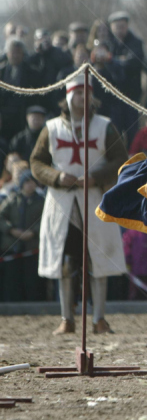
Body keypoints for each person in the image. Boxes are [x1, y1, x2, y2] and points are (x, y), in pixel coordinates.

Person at [30, 79, 127, 334]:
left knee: (97, 260)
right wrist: (57, 177)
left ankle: (99, 319)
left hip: (93, 199)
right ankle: (66, 318)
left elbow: (120, 158)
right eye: (78, 93)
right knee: (65, 262)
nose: (82, 98)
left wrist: (97, 177)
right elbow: (37, 162)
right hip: (63, 203)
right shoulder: (51, 128)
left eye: (86, 93)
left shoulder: (104, 126)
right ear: (69, 96)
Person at [0, 169, 46, 302]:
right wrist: (12, 230)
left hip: (32, 249)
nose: (30, 184)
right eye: (26, 181)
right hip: (12, 248)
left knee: (32, 283)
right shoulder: (12, 199)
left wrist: (33, 232)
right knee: (12, 282)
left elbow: (46, 219)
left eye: (32, 181)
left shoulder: (41, 201)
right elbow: (1, 216)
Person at [108, 11, 145, 145]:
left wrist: (113, 60)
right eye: (116, 26)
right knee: (114, 135)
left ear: (127, 26)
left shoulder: (135, 42)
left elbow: (133, 63)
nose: (119, 29)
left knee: (132, 134)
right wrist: (120, 61)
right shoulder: (108, 43)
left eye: (122, 26)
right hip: (112, 97)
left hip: (131, 96)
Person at [0, 39, 42, 141]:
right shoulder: (2, 72)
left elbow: (36, 97)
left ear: (23, 54)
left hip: (23, 117)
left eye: (18, 52)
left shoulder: (32, 73)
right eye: (13, 52)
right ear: (7, 53)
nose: (15, 55)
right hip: (4, 118)